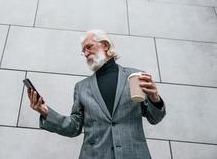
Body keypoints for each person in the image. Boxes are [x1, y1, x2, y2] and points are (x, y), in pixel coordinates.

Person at [27, 29, 166, 159]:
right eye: (83, 51)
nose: (85, 53)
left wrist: (155, 99)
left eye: (88, 47)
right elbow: (73, 127)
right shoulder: (81, 87)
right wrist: (45, 111)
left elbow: (155, 118)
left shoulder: (135, 77)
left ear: (105, 45)